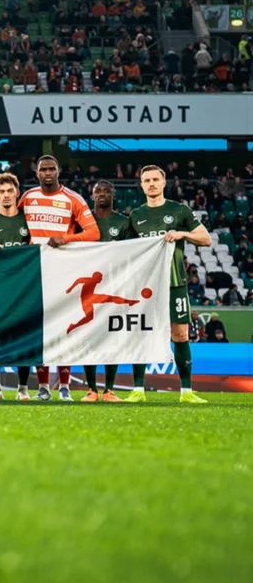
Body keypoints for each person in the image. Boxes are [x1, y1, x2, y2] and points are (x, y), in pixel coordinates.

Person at [120, 165, 211, 404]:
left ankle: (186, 392)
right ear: (141, 185)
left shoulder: (179, 210)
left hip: (175, 282)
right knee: (140, 333)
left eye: (155, 180)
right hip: (145, 286)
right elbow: (126, 250)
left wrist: (183, 234)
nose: (151, 184)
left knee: (180, 334)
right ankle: (138, 390)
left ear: (163, 182)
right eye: (146, 180)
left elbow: (206, 239)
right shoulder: (135, 215)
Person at [20, 155, 100, 400]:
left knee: (65, 328)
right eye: (43, 169)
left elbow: (94, 232)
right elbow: (13, 224)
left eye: (51, 169)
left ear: (58, 171)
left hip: (63, 270)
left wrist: (65, 238)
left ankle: (64, 387)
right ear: (37, 173)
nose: (47, 173)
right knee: (39, 330)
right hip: (34, 272)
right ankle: (43, 387)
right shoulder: (27, 197)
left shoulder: (73, 199)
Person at [0, 172, 34, 401]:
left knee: (23, 337)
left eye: (10, 190)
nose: (6, 195)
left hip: (22, 288)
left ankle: (23, 389)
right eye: (1, 191)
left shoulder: (28, 219)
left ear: (17, 192)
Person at [82, 180, 131, 402]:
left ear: (113, 195)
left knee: (112, 337)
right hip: (89, 289)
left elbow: (134, 252)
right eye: (98, 191)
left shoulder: (123, 222)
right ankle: (91, 389)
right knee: (89, 338)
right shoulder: (83, 221)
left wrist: (117, 250)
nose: (102, 194)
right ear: (92, 196)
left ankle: (109, 390)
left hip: (114, 284)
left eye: (106, 191)